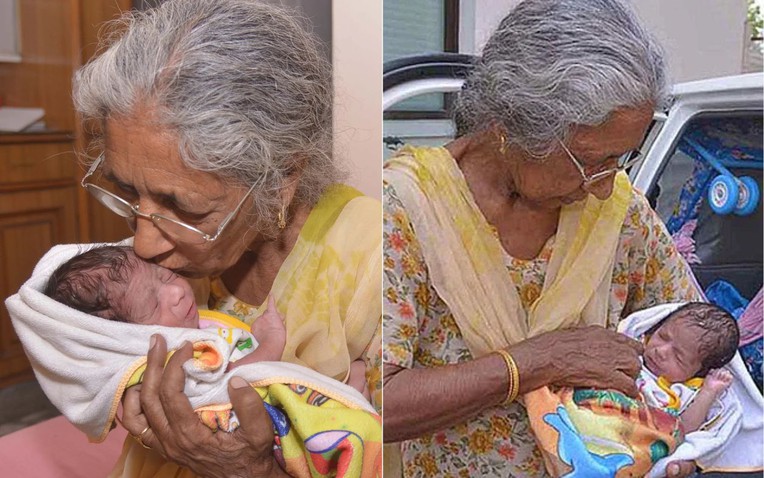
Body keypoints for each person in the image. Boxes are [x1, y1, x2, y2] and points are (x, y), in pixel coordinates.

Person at [31, 1, 381, 476]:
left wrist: (252, 470)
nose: (143, 245)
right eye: (128, 192)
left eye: (185, 208)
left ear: (282, 179)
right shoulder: (150, 266)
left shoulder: (372, 261)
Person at [382, 0, 702, 477]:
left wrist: (692, 438)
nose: (605, 185)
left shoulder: (619, 213)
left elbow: (702, 343)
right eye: (591, 161)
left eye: (622, 160)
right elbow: (376, 401)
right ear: (512, 126)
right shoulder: (404, 210)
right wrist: (538, 361)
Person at [44, 244, 369, 392]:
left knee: (353, 376)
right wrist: (270, 343)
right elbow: (232, 382)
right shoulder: (170, 361)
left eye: (165, 275)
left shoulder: (195, 324)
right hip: (265, 430)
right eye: (153, 304)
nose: (176, 292)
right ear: (128, 338)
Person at [638, 302, 738, 432]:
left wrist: (709, 391)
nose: (661, 352)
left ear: (698, 373)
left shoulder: (685, 393)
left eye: (678, 357)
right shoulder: (636, 342)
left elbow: (683, 430)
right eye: (662, 336)